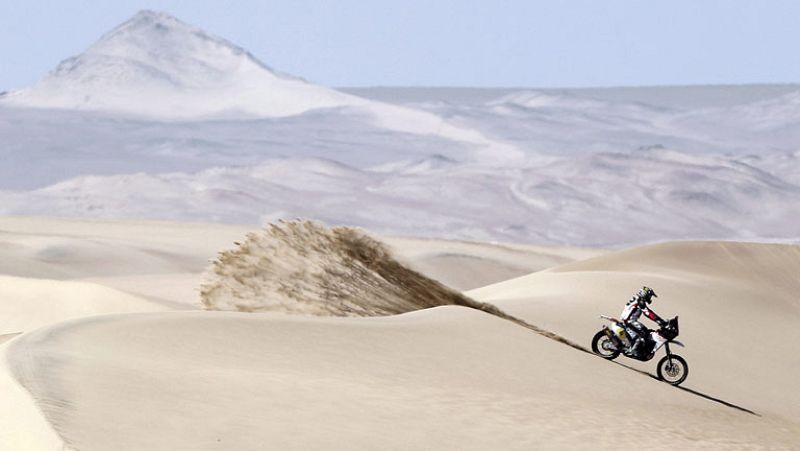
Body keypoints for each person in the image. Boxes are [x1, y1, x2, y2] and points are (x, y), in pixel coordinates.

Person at [620, 286, 667, 357]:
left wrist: (659, 320)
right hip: (629, 320)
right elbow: (647, 312)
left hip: (628, 319)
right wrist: (659, 321)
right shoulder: (640, 301)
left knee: (646, 331)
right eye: (649, 296)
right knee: (643, 332)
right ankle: (635, 350)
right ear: (644, 294)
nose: (650, 298)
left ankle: (634, 345)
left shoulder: (637, 299)